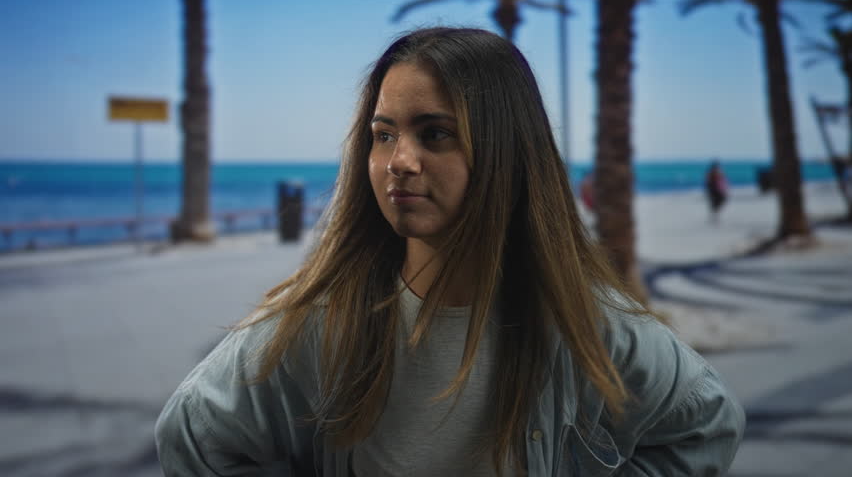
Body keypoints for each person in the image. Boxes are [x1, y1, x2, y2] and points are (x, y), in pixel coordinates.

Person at [155, 28, 744, 476]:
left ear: (506, 152)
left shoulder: (585, 323)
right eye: (383, 135)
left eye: (434, 133)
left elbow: (704, 422)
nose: (398, 161)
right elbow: (194, 434)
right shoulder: (318, 324)